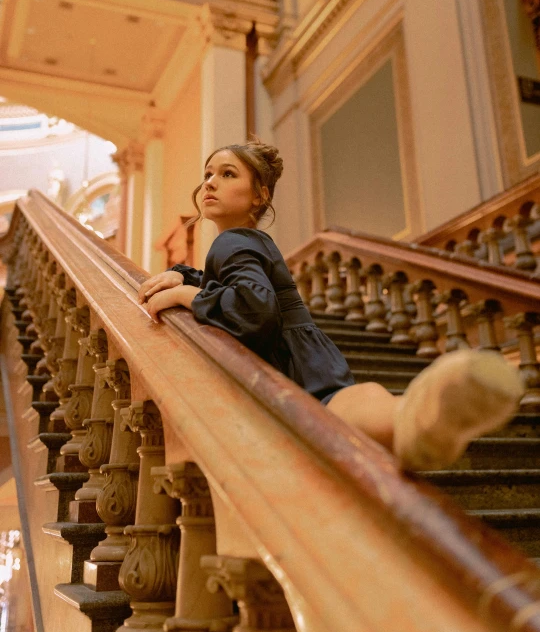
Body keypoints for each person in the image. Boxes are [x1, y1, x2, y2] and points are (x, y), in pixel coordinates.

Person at [137, 141, 524, 471]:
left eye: (227, 174)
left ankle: (421, 417)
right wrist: (184, 276)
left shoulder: (230, 242)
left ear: (260, 195)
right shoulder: (246, 241)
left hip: (289, 358)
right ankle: (418, 419)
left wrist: (185, 294)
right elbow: (234, 284)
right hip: (308, 352)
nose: (210, 182)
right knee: (347, 403)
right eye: (208, 174)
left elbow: (254, 307)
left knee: (333, 412)